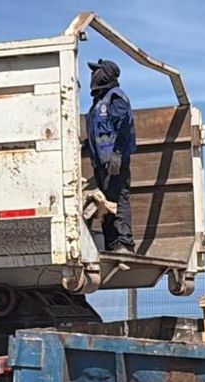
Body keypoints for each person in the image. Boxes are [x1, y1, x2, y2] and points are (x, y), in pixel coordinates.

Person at [86, 59, 137, 255]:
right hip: (101, 162)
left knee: (119, 198)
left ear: (105, 75)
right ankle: (112, 245)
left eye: (96, 72)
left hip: (115, 161)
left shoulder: (115, 98)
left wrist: (117, 154)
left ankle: (124, 243)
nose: (93, 76)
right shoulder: (98, 102)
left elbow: (124, 126)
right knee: (105, 203)